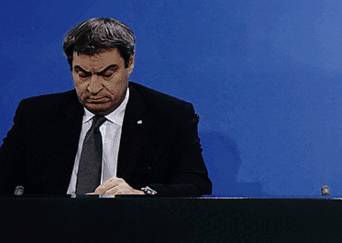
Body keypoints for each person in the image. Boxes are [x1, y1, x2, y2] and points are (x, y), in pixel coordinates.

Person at [0, 18, 212, 197]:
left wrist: (142, 195)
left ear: (129, 63)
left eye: (106, 74)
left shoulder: (170, 116)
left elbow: (195, 184)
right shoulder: (37, 115)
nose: (93, 88)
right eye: (82, 74)